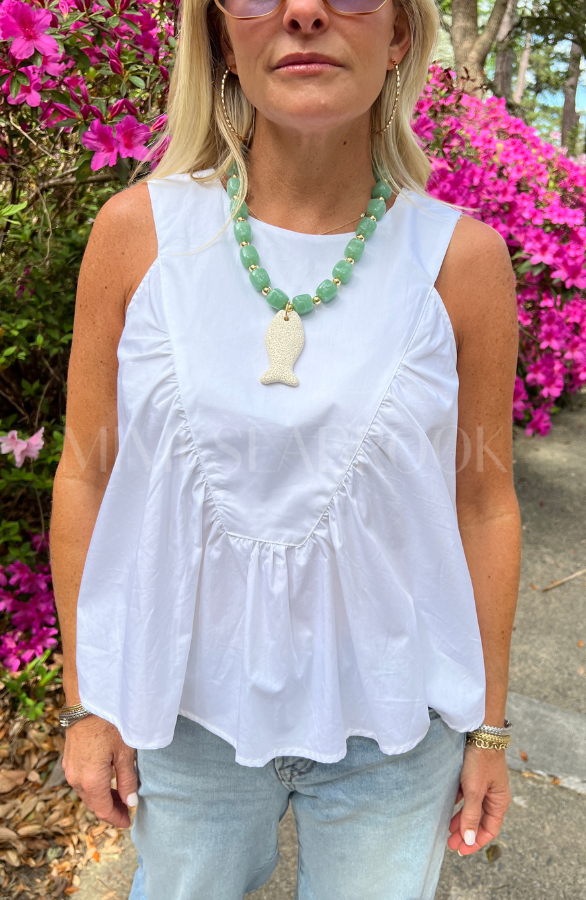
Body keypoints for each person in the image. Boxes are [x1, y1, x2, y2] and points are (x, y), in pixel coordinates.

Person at [50, 0, 522, 895]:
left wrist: (489, 729)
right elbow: (86, 474)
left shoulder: (461, 264)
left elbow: (484, 504)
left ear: (400, 35)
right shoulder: (139, 236)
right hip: (184, 719)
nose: (304, 12)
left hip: (398, 727)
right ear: (223, 39)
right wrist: (87, 704)